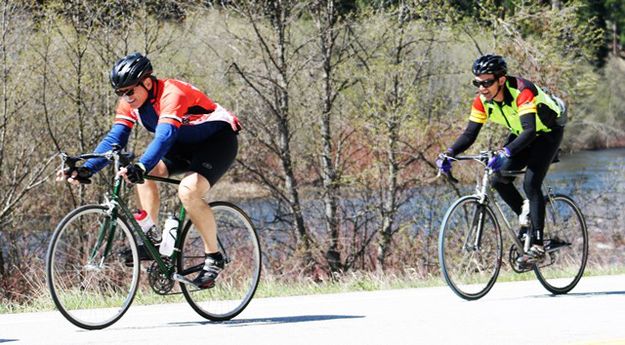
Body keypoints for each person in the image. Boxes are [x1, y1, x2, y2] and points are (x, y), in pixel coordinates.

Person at [57, 52, 241, 289]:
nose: (126, 97)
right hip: (182, 145)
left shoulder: (171, 93)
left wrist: (141, 165)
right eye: (120, 93)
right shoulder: (130, 101)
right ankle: (151, 237)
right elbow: (116, 137)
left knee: (187, 191)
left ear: (147, 81)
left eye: (130, 91)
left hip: (217, 141)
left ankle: (213, 257)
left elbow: (165, 136)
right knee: (139, 173)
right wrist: (87, 168)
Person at [437, 54, 566, 266]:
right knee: (497, 180)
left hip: (547, 132)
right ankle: (527, 217)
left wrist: (505, 152)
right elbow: (470, 134)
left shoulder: (522, 92)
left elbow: (531, 131)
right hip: (522, 131)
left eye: (487, 82)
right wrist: (449, 153)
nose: (482, 88)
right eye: (477, 83)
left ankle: (538, 245)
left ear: (501, 80)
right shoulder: (481, 101)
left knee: (531, 184)